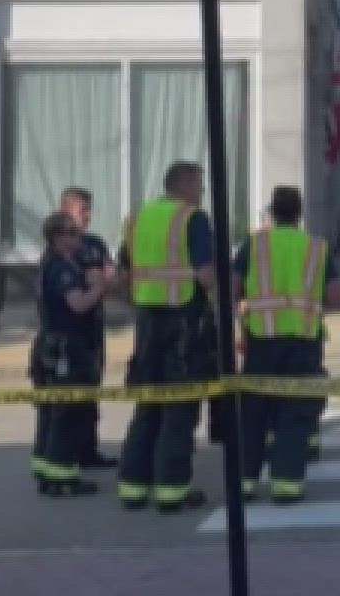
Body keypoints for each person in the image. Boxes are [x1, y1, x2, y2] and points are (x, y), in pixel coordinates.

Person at [115, 162, 219, 513]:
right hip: (183, 323)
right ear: (186, 186)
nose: (202, 193)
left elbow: (124, 273)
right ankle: (172, 489)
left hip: (146, 324)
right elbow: (206, 276)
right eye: (200, 186)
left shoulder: (137, 219)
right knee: (180, 407)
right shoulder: (193, 218)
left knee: (148, 404)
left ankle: (132, 486)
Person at [232, 186, 340, 504]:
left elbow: (233, 287)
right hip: (303, 342)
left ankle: (245, 483)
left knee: (253, 413)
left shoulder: (253, 245)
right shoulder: (316, 248)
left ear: (272, 212)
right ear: (299, 213)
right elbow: (336, 296)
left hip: (260, 341)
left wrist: (247, 307)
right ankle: (286, 484)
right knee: (295, 413)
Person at [29, 212, 108, 497]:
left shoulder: (56, 264)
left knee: (52, 412)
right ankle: (63, 477)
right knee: (67, 413)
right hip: (66, 347)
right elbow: (78, 305)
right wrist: (98, 286)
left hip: (51, 345)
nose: (78, 237)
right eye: (71, 233)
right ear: (57, 237)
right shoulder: (61, 268)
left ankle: (47, 469)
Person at [59, 187, 118, 470]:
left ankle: (88, 450)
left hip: (93, 328)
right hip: (68, 333)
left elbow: (111, 278)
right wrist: (96, 283)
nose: (88, 216)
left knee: (92, 389)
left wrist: (102, 283)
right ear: (66, 211)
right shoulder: (60, 249)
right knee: (68, 397)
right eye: (83, 209)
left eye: (89, 209)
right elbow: (78, 293)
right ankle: (63, 456)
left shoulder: (95, 243)